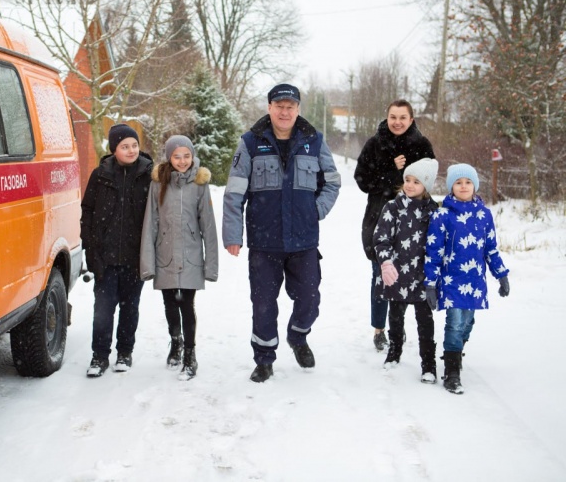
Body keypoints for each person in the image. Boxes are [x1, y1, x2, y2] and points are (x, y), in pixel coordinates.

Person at [222, 83, 341, 383]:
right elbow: (234, 192)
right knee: (263, 304)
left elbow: (332, 182)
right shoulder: (250, 142)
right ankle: (264, 359)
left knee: (309, 299)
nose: (285, 112)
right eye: (279, 106)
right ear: (269, 108)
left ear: (298, 109)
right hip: (264, 242)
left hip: (304, 240)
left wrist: (316, 210)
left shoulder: (314, 141)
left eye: (290, 106)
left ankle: (298, 336)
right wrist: (233, 234)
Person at [354, 100, 435, 352]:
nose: (397, 122)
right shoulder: (374, 144)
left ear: (411, 119)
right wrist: (391, 171)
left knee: (411, 276)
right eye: (393, 117)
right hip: (379, 217)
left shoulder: (422, 146)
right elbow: (362, 180)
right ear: (387, 117)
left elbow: (429, 181)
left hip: (414, 222)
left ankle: (399, 327)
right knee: (381, 274)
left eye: (402, 117)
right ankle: (379, 329)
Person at [424, 163, 510, 394]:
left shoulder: (484, 215)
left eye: (468, 182)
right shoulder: (442, 215)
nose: (463, 186)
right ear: (451, 187)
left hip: (475, 281)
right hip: (451, 280)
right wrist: (430, 283)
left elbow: (490, 249)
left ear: (475, 185)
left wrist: (501, 275)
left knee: (467, 323)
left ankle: (456, 352)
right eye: (458, 182)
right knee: (454, 323)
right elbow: (434, 252)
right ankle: (452, 370)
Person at [140, 135, 219, 380]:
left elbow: (208, 226)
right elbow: (150, 223)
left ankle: (190, 354)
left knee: (186, 304)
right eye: (177, 156)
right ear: (169, 157)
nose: (182, 161)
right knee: (169, 304)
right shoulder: (158, 184)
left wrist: (211, 266)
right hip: (165, 255)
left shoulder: (199, 184)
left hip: (191, 256)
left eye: (186, 156)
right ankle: (176, 341)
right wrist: (147, 263)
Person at [81, 123, 153, 377]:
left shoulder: (148, 174)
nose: (131, 150)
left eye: (134, 145)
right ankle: (99, 356)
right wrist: (91, 248)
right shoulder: (100, 175)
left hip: (135, 256)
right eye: (125, 146)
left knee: (130, 307)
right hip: (105, 256)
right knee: (103, 308)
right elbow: (87, 212)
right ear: (114, 149)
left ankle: (124, 352)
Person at [373, 158, 440, 383]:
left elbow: (439, 243)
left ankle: (428, 363)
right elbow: (381, 238)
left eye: (416, 182)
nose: (409, 185)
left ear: (426, 186)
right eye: (407, 180)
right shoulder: (392, 207)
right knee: (395, 316)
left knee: (425, 321)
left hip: (422, 276)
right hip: (397, 273)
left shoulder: (433, 212)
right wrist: (386, 262)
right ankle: (395, 350)